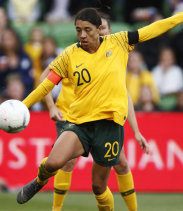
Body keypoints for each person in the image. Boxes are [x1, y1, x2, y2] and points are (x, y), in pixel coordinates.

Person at [16, 1, 183, 210]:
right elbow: (46, 85)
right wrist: (22, 106)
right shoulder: (70, 54)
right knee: (53, 163)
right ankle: (39, 182)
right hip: (80, 122)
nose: (82, 35)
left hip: (108, 127)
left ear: (99, 29)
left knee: (98, 187)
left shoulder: (119, 42)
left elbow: (153, 29)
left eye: (87, 30)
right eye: (78, 30)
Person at [40, 13, 149, 211]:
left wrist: (137, 131)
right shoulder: (72, 55)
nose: (103, 32)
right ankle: (56, 208)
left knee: (121, 164)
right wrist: (51, 106)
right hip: (71, 116)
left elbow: (125, 96)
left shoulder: (112, 55)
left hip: (103, 119)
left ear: (105, 31)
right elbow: (44, 77)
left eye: (105, 29)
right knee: (66, 162)